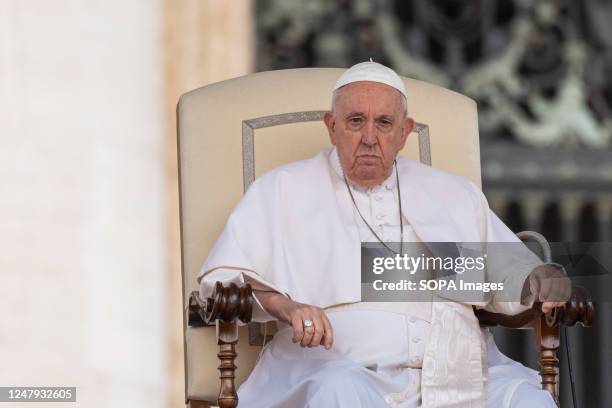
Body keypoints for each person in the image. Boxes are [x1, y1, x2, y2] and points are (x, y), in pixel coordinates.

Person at [198, 61, 570, 407]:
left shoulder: (454, 194)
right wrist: (286, 306)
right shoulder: (280, 190)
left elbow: (507, 271)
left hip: (460, 374)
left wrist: (538, 279)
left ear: (405, 132)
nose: (370, 138)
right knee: (339, 390)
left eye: (385, 123)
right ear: (331, 126)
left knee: (527, 399)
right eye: (356, 121)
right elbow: (219, 282)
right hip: (337, 369)